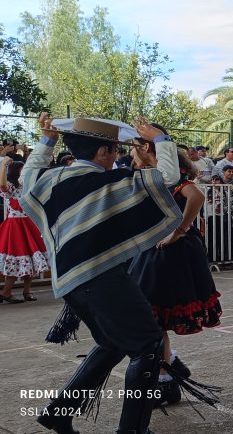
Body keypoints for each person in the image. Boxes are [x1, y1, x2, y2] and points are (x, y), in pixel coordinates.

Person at [25, 115, 189, 434]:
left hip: (70, 282)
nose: (116, 155)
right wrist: (161, 140)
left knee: (114, 343)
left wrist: (46, 142)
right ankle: (133, 431)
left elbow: (29, 174)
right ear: (102, 152)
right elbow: (168, 175)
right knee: (149, 346)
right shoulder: (109, 183)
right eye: (113, 150)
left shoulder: (49, 180)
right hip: (101, 278)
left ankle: (59, 412)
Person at [127, 134, 222, 407]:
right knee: (151, 318)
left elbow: (196, 195)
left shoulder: (169, 179)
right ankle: (171, 364)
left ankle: (166, 379)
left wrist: (179, 231)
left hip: (168, 254)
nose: (132, 156)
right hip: (157, 250)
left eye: (134, 150)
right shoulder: (154, 177)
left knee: (152, 317)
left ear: (146, 149)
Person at [0, 156, 48, 304]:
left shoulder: (27, 185)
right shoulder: (11, 186)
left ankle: (27, 291)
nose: (24, 173)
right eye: (22, 171)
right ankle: (6, 292)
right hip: (15, 225)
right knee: (17, 257)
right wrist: (3, 165)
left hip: (28, 223)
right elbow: (2, 186)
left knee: (31, 259)